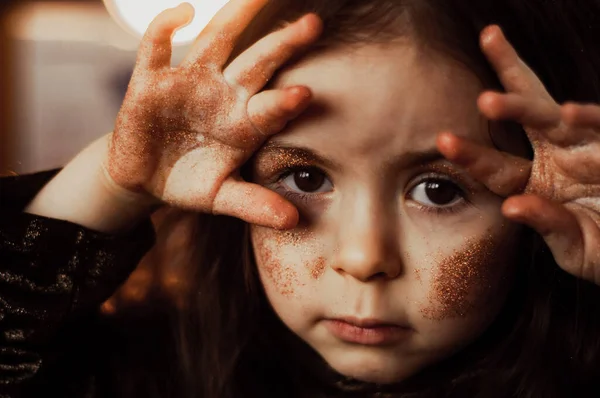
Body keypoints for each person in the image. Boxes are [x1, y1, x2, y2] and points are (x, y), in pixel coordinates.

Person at [1, 0, 599, 397]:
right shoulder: (158, 372)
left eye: (438, 190)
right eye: (307, 179)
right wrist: (111, 185)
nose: (364, 259)